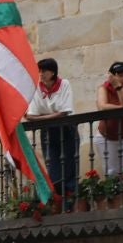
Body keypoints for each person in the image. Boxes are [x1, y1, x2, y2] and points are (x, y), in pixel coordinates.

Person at [23, 58, 77, 201]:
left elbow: (64, 112)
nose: (40, 74)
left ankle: (71, 198)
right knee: (52, 167)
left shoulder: (64, 84)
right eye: (39, 71)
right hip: (48, 130)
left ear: (52, 72)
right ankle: (59, 199)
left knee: (70, 165)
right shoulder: (36, 88)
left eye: (44, 71)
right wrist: (51, 117)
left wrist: (42, 117)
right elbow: (30, 116)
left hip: (66, 128)